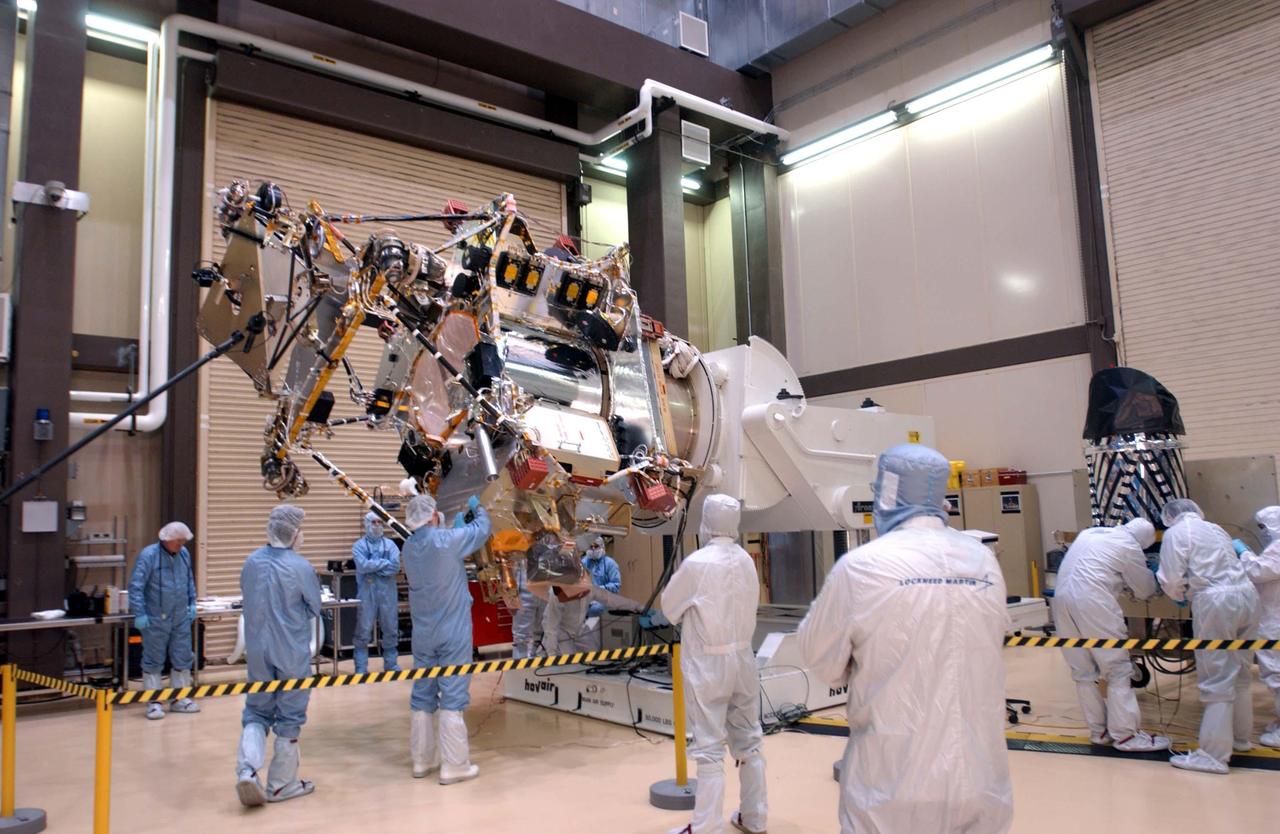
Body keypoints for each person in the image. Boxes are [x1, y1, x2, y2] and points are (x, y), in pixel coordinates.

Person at [798, 444, 1012, 834]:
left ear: (889, 491)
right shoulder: (982, 561)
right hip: (982, 782)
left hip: (893, 784)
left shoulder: (863, 566)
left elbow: (820, 660)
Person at [659, 494, 767, 834]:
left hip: (708, 665)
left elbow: (669, 608)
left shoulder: (697, 564)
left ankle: (706, 828)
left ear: (706, 521)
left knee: (708, 749)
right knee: (750, 742)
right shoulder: (747, 561)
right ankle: (755, 817)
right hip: (744, 661)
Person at [1157, 498, 1260, 774]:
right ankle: (1240, 738)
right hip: (1247, 597)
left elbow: (1169, 578)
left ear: (1169, 517)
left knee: (1216, 676)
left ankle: (1214, 756)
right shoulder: (1215, 528)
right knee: (1239, 672)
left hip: (1216, 602)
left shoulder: (1175, 534)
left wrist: (1178, 596)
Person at [1051, 518, 1170, 751]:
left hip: (1061, 600)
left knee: (1083, 672)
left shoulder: (1090, 533)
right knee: (1117, 670)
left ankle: (1099, 732)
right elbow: (1145, 589)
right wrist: (1156, 574)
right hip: (1093, 603)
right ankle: (1126, 736)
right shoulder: (1130, 546)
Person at [235, 505, 322, 807]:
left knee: (257, 711)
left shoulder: (251, 563)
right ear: (294, 533)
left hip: (258, 649)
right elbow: (314, 606)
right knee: (289, 715)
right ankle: (281, 785)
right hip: (290, 650)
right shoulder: (300, 567)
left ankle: (247, 771)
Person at [402, 493, 491, 784]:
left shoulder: (407, 548)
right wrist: (478, 510)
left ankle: (421, 761)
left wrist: (455, 526)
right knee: (453, 695)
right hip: (452, 630)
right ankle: (455, 765)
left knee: (423, 693)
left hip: (423, 633)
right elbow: (482, 531)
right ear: (431, 516)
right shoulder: (447, 542)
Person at [128, 521, 200, 720]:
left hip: (180, 617)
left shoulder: (184, 555)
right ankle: (154, 702)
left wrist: (191, 602)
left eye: (183, 541)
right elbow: (136, 586)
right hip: (155, 618)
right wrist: (140, 613)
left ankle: (180, 698)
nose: (181, 545)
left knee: (183, 656)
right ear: (167, 539)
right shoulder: (149, 556)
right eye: (178, 541)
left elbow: (189, 580)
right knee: (153, 659)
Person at [1236, 506, 1280, 748]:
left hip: (1275, 622)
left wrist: (1242, 552)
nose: (1262, 532)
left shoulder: (1278, 547)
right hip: (1274, 617)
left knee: (1277, 674)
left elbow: (1258, 571)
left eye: (1263, 527)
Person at [352, 511, 401, 674]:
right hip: (367, 593)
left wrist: (373, 566)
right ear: (366, 524)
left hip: (388, 593)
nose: (377, 525)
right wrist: (383, 564)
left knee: (390, 627)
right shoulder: (359, 546)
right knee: (363, 629)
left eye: (380, 522)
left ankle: (391, 663)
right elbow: (362, 566)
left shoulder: (390, 545)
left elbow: (395, 567)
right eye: (373, 522)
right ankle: (361, 666)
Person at [583, 536, 621, 618]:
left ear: (602, 547)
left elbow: (616, 586)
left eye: (596, 546)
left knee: (596, 609)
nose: (593, 549)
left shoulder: (610, 564)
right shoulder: (584, 561)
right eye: (590, 546)